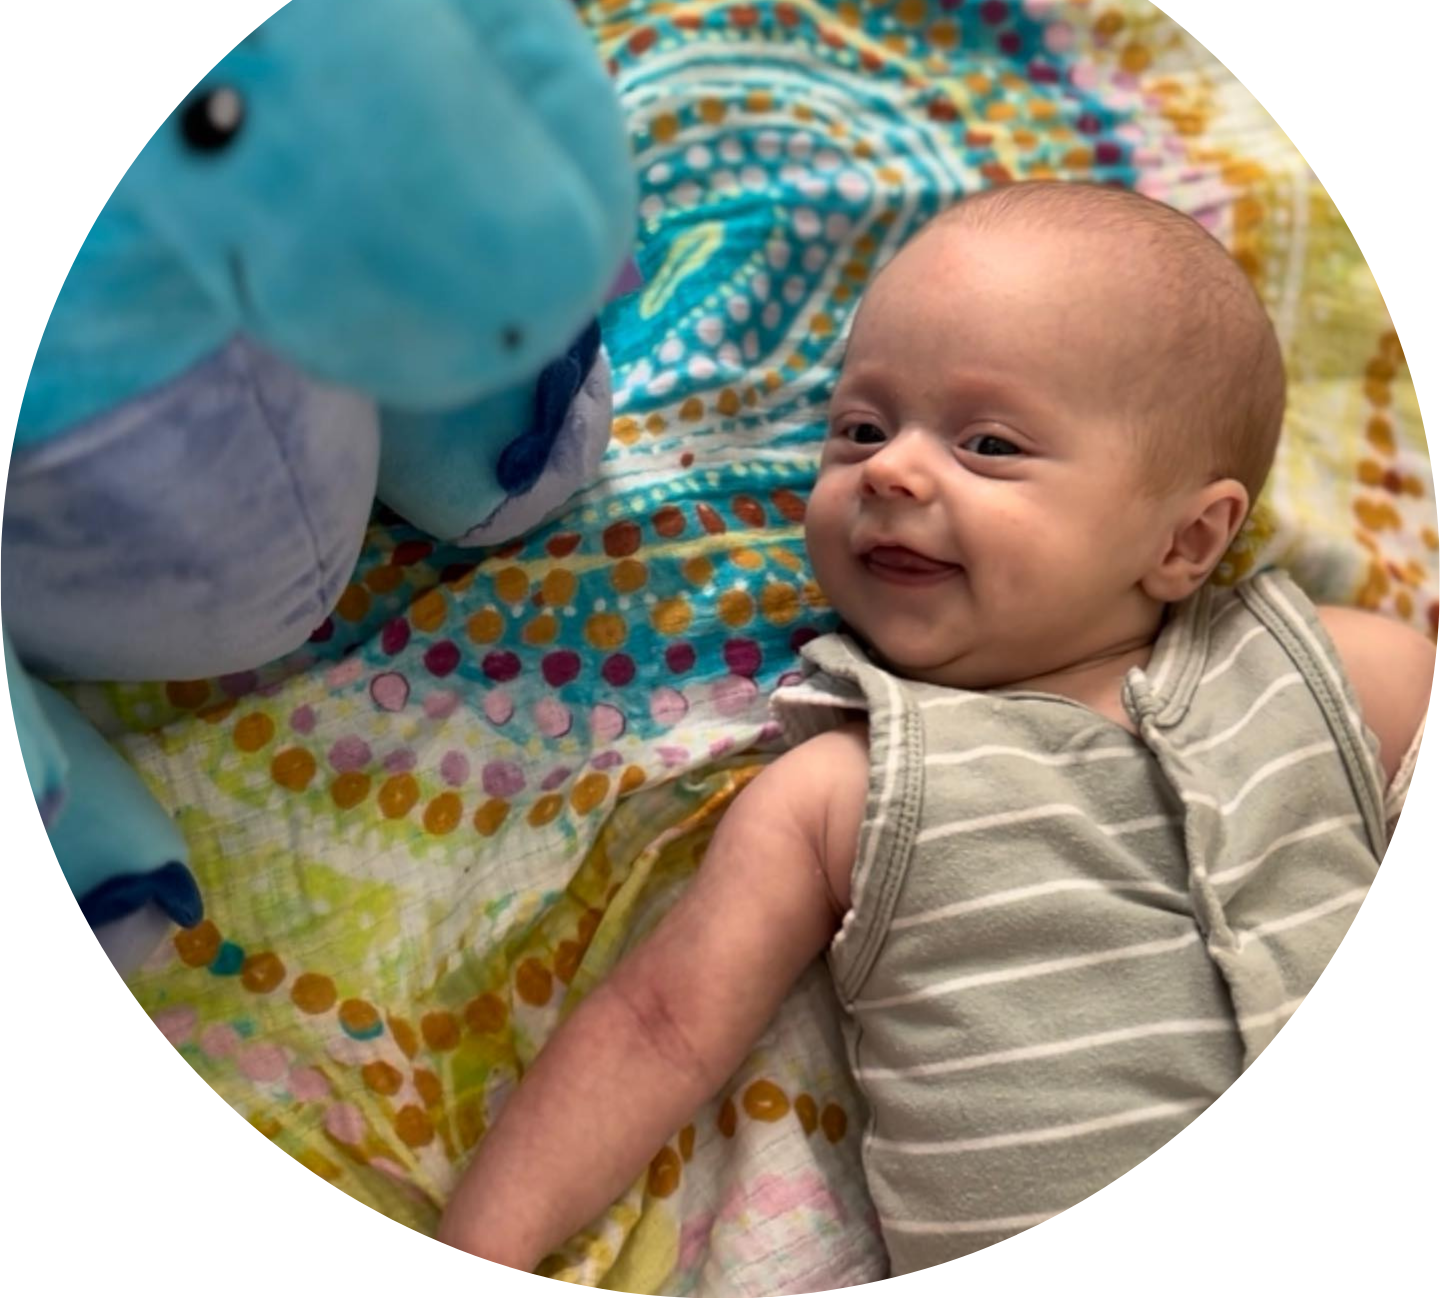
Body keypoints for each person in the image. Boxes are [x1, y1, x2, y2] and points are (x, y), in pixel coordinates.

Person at [437, 181, 1434, 1276]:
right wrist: (484, 1248)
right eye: (859, 426)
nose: (892, 468)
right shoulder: (845, 791)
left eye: (991, 443)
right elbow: (656, 1028)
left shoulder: (1330, 668)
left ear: (1188, 539)